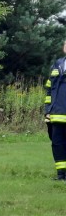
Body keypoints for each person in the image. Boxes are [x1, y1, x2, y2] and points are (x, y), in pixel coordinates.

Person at [45, 39, 66, 180]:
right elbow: (49, 89)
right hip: (56, 114)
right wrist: (47, 110)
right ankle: (61, 174)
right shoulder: (58, 64)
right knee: (57, 144)